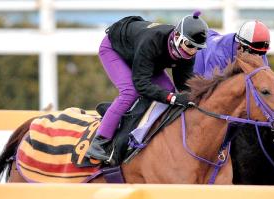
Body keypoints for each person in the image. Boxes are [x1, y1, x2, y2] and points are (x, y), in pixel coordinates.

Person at [86, 12, 208, 161]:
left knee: (168, 92)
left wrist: (195, 97)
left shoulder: (187, 51)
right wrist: (172, 97)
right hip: (114, 49)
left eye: (198, 48)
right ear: (177, 36)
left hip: (142, 56)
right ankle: (100, 141)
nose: (192, 51)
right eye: (190, 45)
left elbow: (184, 84)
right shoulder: (152, 40)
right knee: (130, 92)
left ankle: (119, 114)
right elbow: (141, 84)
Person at [194, 20, 270, 78]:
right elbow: (212, 93)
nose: (257, 57)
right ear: (240, 46)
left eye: (261, 53)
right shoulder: (219, 55)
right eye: (253, 52)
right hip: (197, 61)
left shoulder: (259, 53)